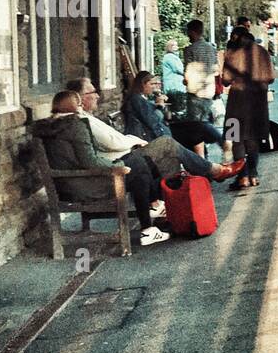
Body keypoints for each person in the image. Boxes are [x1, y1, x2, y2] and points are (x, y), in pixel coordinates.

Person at [38, 91, 170, 247]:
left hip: (67, 185)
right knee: (137, 165)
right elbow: (90, 161)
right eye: (80, 104)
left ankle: (151, 216)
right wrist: (118, 166)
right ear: (76, 107)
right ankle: (150, 220)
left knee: (137, 162)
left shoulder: (49, 126)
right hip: (85, 186)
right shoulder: (75, 126)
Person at [65, 77, 240, 182]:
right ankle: (214, 169)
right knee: (168, 144)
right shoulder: (83, 120)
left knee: (189, 135)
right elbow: (113, 142)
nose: (97, 95)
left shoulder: (87, 118)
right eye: (92, 92)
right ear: (78, 98)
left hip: (126, 152)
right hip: (122, 159)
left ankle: (174, 204)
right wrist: (137, 140)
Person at [221, 24, 275, 190]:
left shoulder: (233, 54)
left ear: (236, 37)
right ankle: (253, 175)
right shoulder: (263, 52)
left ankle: (242, 176)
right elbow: (271, 77)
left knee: (237, 138)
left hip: (237, 102)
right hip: (258, 103)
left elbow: (225, 80)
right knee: (253, 139)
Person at [182, 19, 222, 157]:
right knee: (204, 122)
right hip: (209, 90)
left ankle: (218, 144)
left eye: (188, 32)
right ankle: (206, 154)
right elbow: (217, 70)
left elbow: (187, 74)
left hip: (195, 91)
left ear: (192, 32)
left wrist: (185, 81)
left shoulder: (189, 50)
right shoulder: (211, 48)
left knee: (196, 125)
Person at [160, 39, 187, 118]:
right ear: (169, 47)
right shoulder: (170, 57)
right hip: (174, 87)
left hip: (175, 86)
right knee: (178, 109)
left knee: (174, 109)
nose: (176, 47)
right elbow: (179, 69)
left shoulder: (173, 57)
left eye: (176, 45)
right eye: (173, 45)